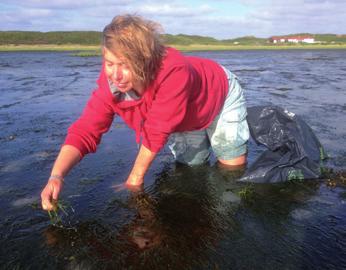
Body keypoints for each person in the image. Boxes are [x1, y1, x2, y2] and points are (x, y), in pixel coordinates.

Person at [41, 14, 249, 211]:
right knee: (190, 167)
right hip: (183, 116)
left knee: (230, 168)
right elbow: (86, 130)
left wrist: (133, 182)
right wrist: (56, 176)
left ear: (144, 59)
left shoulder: (173, 71)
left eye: (124, 65)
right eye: (110, 63)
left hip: (219, 95)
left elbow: (156, 131)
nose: (116, 75)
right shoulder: (111, 87)